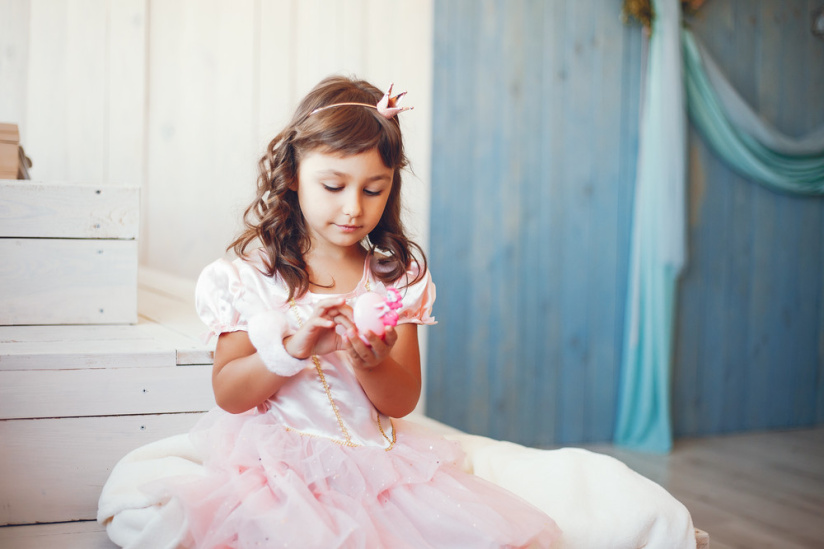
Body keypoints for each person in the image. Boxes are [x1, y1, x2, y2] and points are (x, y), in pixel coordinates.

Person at [131, 75, 561, 548]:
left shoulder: (396, 277)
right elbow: (229, 394)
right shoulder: (250, 278)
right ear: (293, 175)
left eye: (373, 190)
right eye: (333, 185)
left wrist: (368, 361)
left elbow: (400, 402)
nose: (353, 208)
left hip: (379, 468)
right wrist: (290, 351)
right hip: (280, 467)